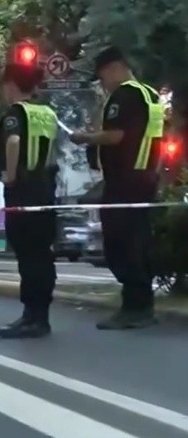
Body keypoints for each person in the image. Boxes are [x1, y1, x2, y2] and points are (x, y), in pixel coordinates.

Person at [71, 46, 164, 330]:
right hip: (145, 177)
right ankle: (142, 304)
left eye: (102, 78)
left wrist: (85, 137)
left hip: (123, 181)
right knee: (139, 242)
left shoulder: (123, 95)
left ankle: (134, 306)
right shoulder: (150, 95)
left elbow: (116, 136)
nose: (103, 84)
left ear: (114, 68)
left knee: (118, 244)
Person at [0, 63, 59, 339]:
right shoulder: (47, 113)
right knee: (43, 254)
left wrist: (9, 174)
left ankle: (31, 317)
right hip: (46, 190)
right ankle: (40, 315)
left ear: (10, 85)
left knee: (28, 255)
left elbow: (14, 141)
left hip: (22, 191)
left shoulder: (16, 113)